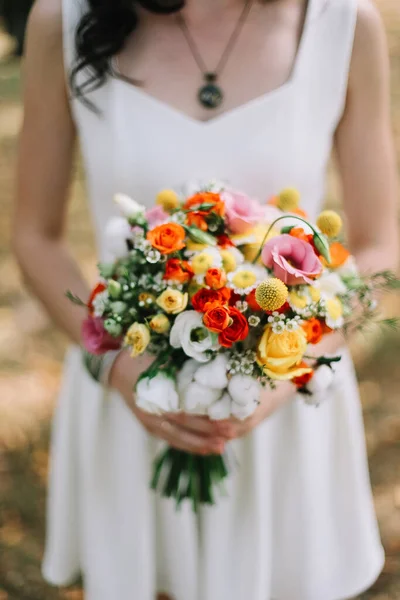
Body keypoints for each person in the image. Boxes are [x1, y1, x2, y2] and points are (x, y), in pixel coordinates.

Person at [12, 0, 399, 598]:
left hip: (284, 409)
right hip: (134, 396)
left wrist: (288, 368)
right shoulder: (62, 19)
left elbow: (380, 246)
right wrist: (117, 364)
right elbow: (35, 237)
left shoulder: (344, 25)